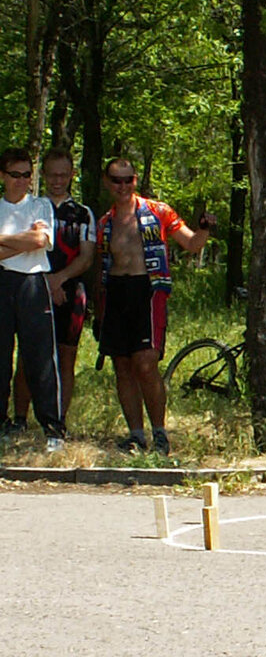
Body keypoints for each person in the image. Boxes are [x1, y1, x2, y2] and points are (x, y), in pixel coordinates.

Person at [95, 158, 214, 454]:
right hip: (116, 292)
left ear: (135, 180)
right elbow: (98, 266)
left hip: (148, 289)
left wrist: (205, 228)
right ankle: (136, 435)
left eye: (128, 180)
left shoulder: (157, 212)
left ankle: (159, 432)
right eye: (116, 180)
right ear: (107, 183)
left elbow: (191, 244)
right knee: (122, 366)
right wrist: (97, 309)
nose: (122, 186)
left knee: (146, 363)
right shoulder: (104, 223)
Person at [11, 148, 95, 430]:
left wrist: (59, 279)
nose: (57, 180)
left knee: (65, 356)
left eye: (63, 175)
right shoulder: (31, 206)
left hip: (71, 291)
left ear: (72, 175)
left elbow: (87, 256)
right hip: (33, 286)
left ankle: (58, 420)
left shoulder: (82, 213)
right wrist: (46, 281)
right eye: (51, 175)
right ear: (43, 175)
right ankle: (20, 419)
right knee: (28, 355)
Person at [0, 147, 66, 452]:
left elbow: (41, 241)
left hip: (33, 282)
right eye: (15, 174)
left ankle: (53, 428)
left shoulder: (40, 206)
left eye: (27, 174)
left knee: (40, 357)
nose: (22, 180)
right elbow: (28, 241)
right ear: (3, 176)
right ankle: (4, 426)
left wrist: (6, 241)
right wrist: (22, 241)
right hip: (3, 282)